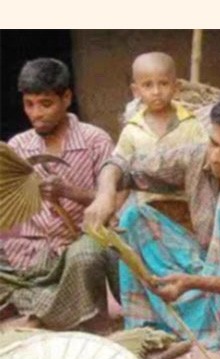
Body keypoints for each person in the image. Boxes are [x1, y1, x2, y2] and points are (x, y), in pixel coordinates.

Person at [85, 91, 220, 350]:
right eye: (213, 143)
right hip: (207, 268)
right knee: (134, 216)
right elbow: (121, 164)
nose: (216, 156)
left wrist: (193, 282)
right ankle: (147, 330)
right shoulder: (199, 157)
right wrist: (105, 195)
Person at [0, 58, 116, 330]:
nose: (36, 113)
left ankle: (42, 316)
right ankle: (53, 303)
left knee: (87, 257)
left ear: (66, 98)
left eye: (46, 104)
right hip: (29, 253)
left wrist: (69, 192)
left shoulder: (94, 140)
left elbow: (114, 201)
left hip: (74, 247)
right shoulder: (19, 145)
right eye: (29, 104)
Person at [113, 52, 206, 162]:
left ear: (176, 88)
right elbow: (119, 162)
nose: (156, 92)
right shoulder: (132, 130)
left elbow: (204, 158)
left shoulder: (191, 126)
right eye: (148, 85)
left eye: (163, 84)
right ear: (136, 91)